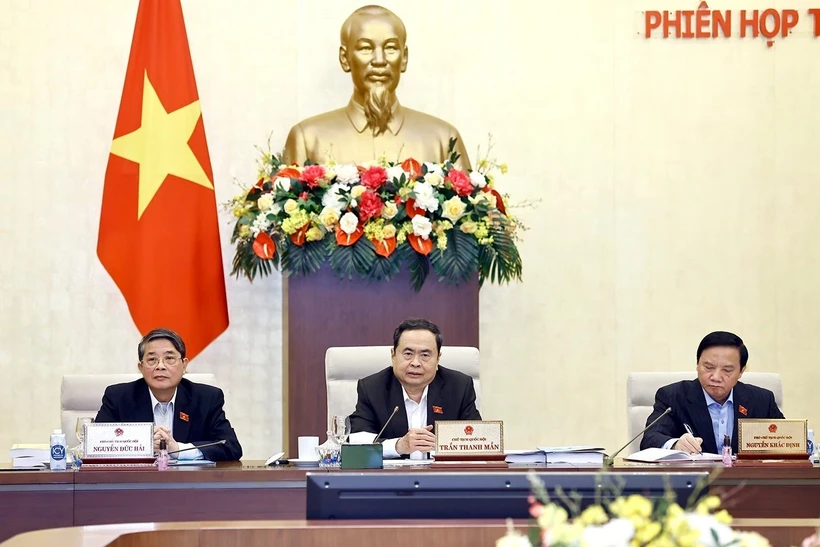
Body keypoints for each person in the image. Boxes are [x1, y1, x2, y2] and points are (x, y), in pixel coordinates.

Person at [284, 5, 470, 169]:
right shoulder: (308, 139)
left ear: (404, 58)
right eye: (365, 48)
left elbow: (478, 207)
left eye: (390, 48)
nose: (379, 60)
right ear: (344, 58)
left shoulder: (443, 139)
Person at [95, 328, 242, 461]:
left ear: (184, 365)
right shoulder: (118, 397)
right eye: (152, 359)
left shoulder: (206, 398)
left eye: (169, 358)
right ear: (140, 367)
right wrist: (142, 444)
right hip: (134, 485)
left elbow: (230, 446)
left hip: (188, 486)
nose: (160, 366)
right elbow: (95, 445)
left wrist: (177, 449)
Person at [349, 318, 481, 459]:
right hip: (392, 479)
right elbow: (357, 446)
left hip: (443, 478)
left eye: (425, 355)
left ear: (438, 358)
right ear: (393, 355)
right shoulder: (372, 388)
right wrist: (398, 445)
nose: (415, 363)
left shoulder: (459, 387)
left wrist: (447, 445)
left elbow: (477, 439)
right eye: (408, 354)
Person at [640, 331, 784, 455]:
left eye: (727, 370)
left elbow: (787, 441)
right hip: (695, 482)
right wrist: (675, 444)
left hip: (747, 483)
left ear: (741, 371)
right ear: (697, 364)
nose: (715, 377)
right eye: (708, 367)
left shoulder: (761, 400)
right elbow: (650, 438)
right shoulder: (673, 396)